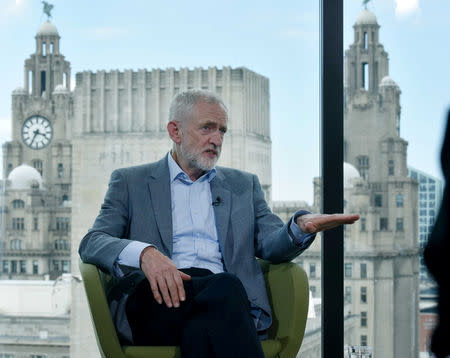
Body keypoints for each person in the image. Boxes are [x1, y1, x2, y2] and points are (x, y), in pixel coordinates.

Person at [79, 89, 359, 358]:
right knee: (226, 288)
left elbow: (271, 242)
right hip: (157, 301)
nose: (217, 139)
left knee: (204, 328)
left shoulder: (243, 185)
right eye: (207, 128)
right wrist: (144, 254)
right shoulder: (131, 182)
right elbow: (92, 242)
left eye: (222, 130)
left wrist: (298, 227)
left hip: (221, 306)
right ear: (175, 131)